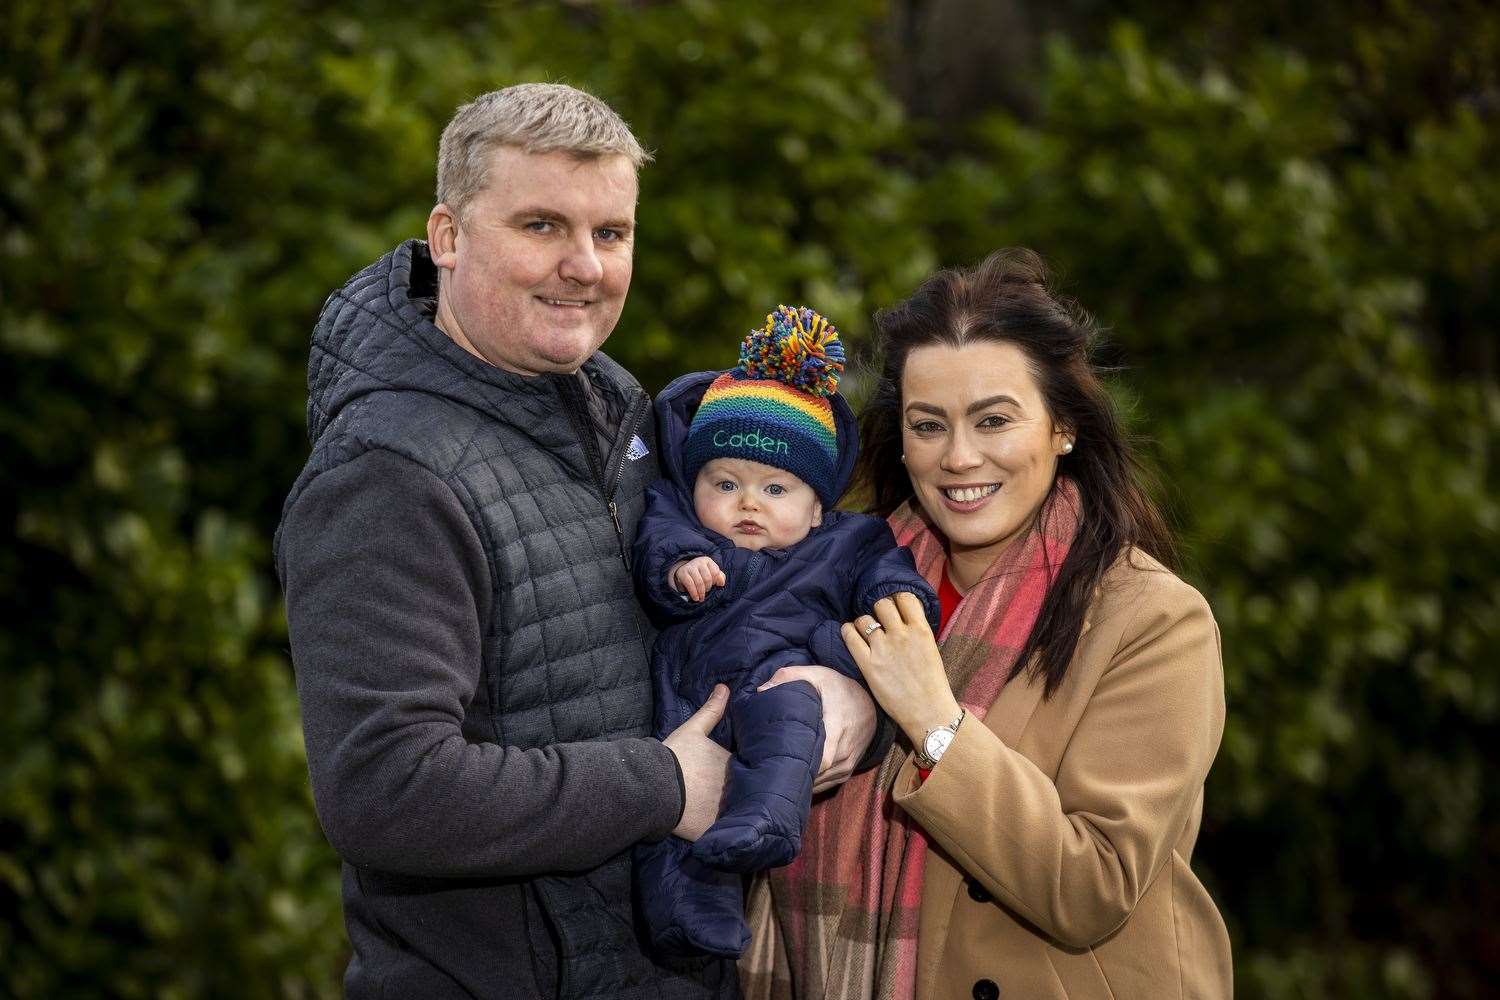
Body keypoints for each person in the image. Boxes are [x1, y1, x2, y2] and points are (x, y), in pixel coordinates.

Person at [273, 83, 878, 1000]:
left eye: (611, 234)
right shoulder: (388, 474)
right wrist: (664, 788)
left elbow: (761, 588)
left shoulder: (628, 413)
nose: (585, 267)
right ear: (447, 238)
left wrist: (845, 700)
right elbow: (384, 790)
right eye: (542, 226)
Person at [740, 249, 1232, 1000]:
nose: (959, 457)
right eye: (928, 424)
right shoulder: (825, 585)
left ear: (1062, 425)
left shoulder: (1155, 623)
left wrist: (935, 723)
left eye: (994, 420)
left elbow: (1092, 886)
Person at [631, 306, 938, 960]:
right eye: (726, 482)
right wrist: (681, 568)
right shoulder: (684, 522)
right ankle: (684, 918)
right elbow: (655, 544)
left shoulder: (847, 540)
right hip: (692, 687)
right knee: (675, 821)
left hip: (781, 674)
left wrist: (899, 597)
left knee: (794, 717)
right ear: (696, 483)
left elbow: (887, 572)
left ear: (817, 504)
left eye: (775, 487)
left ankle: (769, 818)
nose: (747, 503)